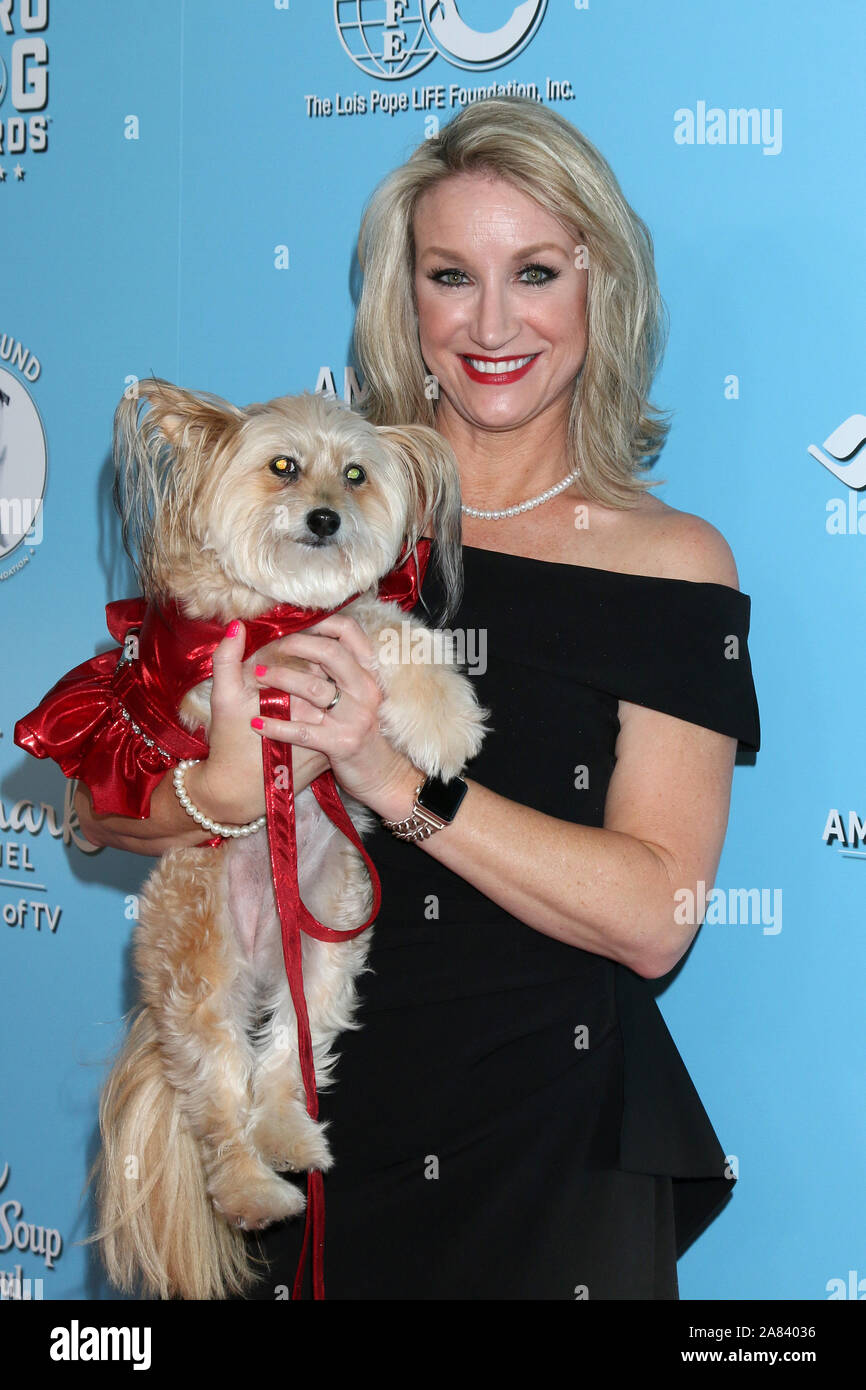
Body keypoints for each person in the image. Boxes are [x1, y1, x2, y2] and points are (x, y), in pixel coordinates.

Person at [73, 96, 760, 1299]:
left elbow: (657, 911)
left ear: (603, 292)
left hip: (549, 1159)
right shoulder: (304, 506)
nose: (491, 323)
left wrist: (393, 781)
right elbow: (100, 804)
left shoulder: (669, 563)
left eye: (534, 272)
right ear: (404, 297)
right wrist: (223, 785)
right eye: (451, 275)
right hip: (302, 1135)